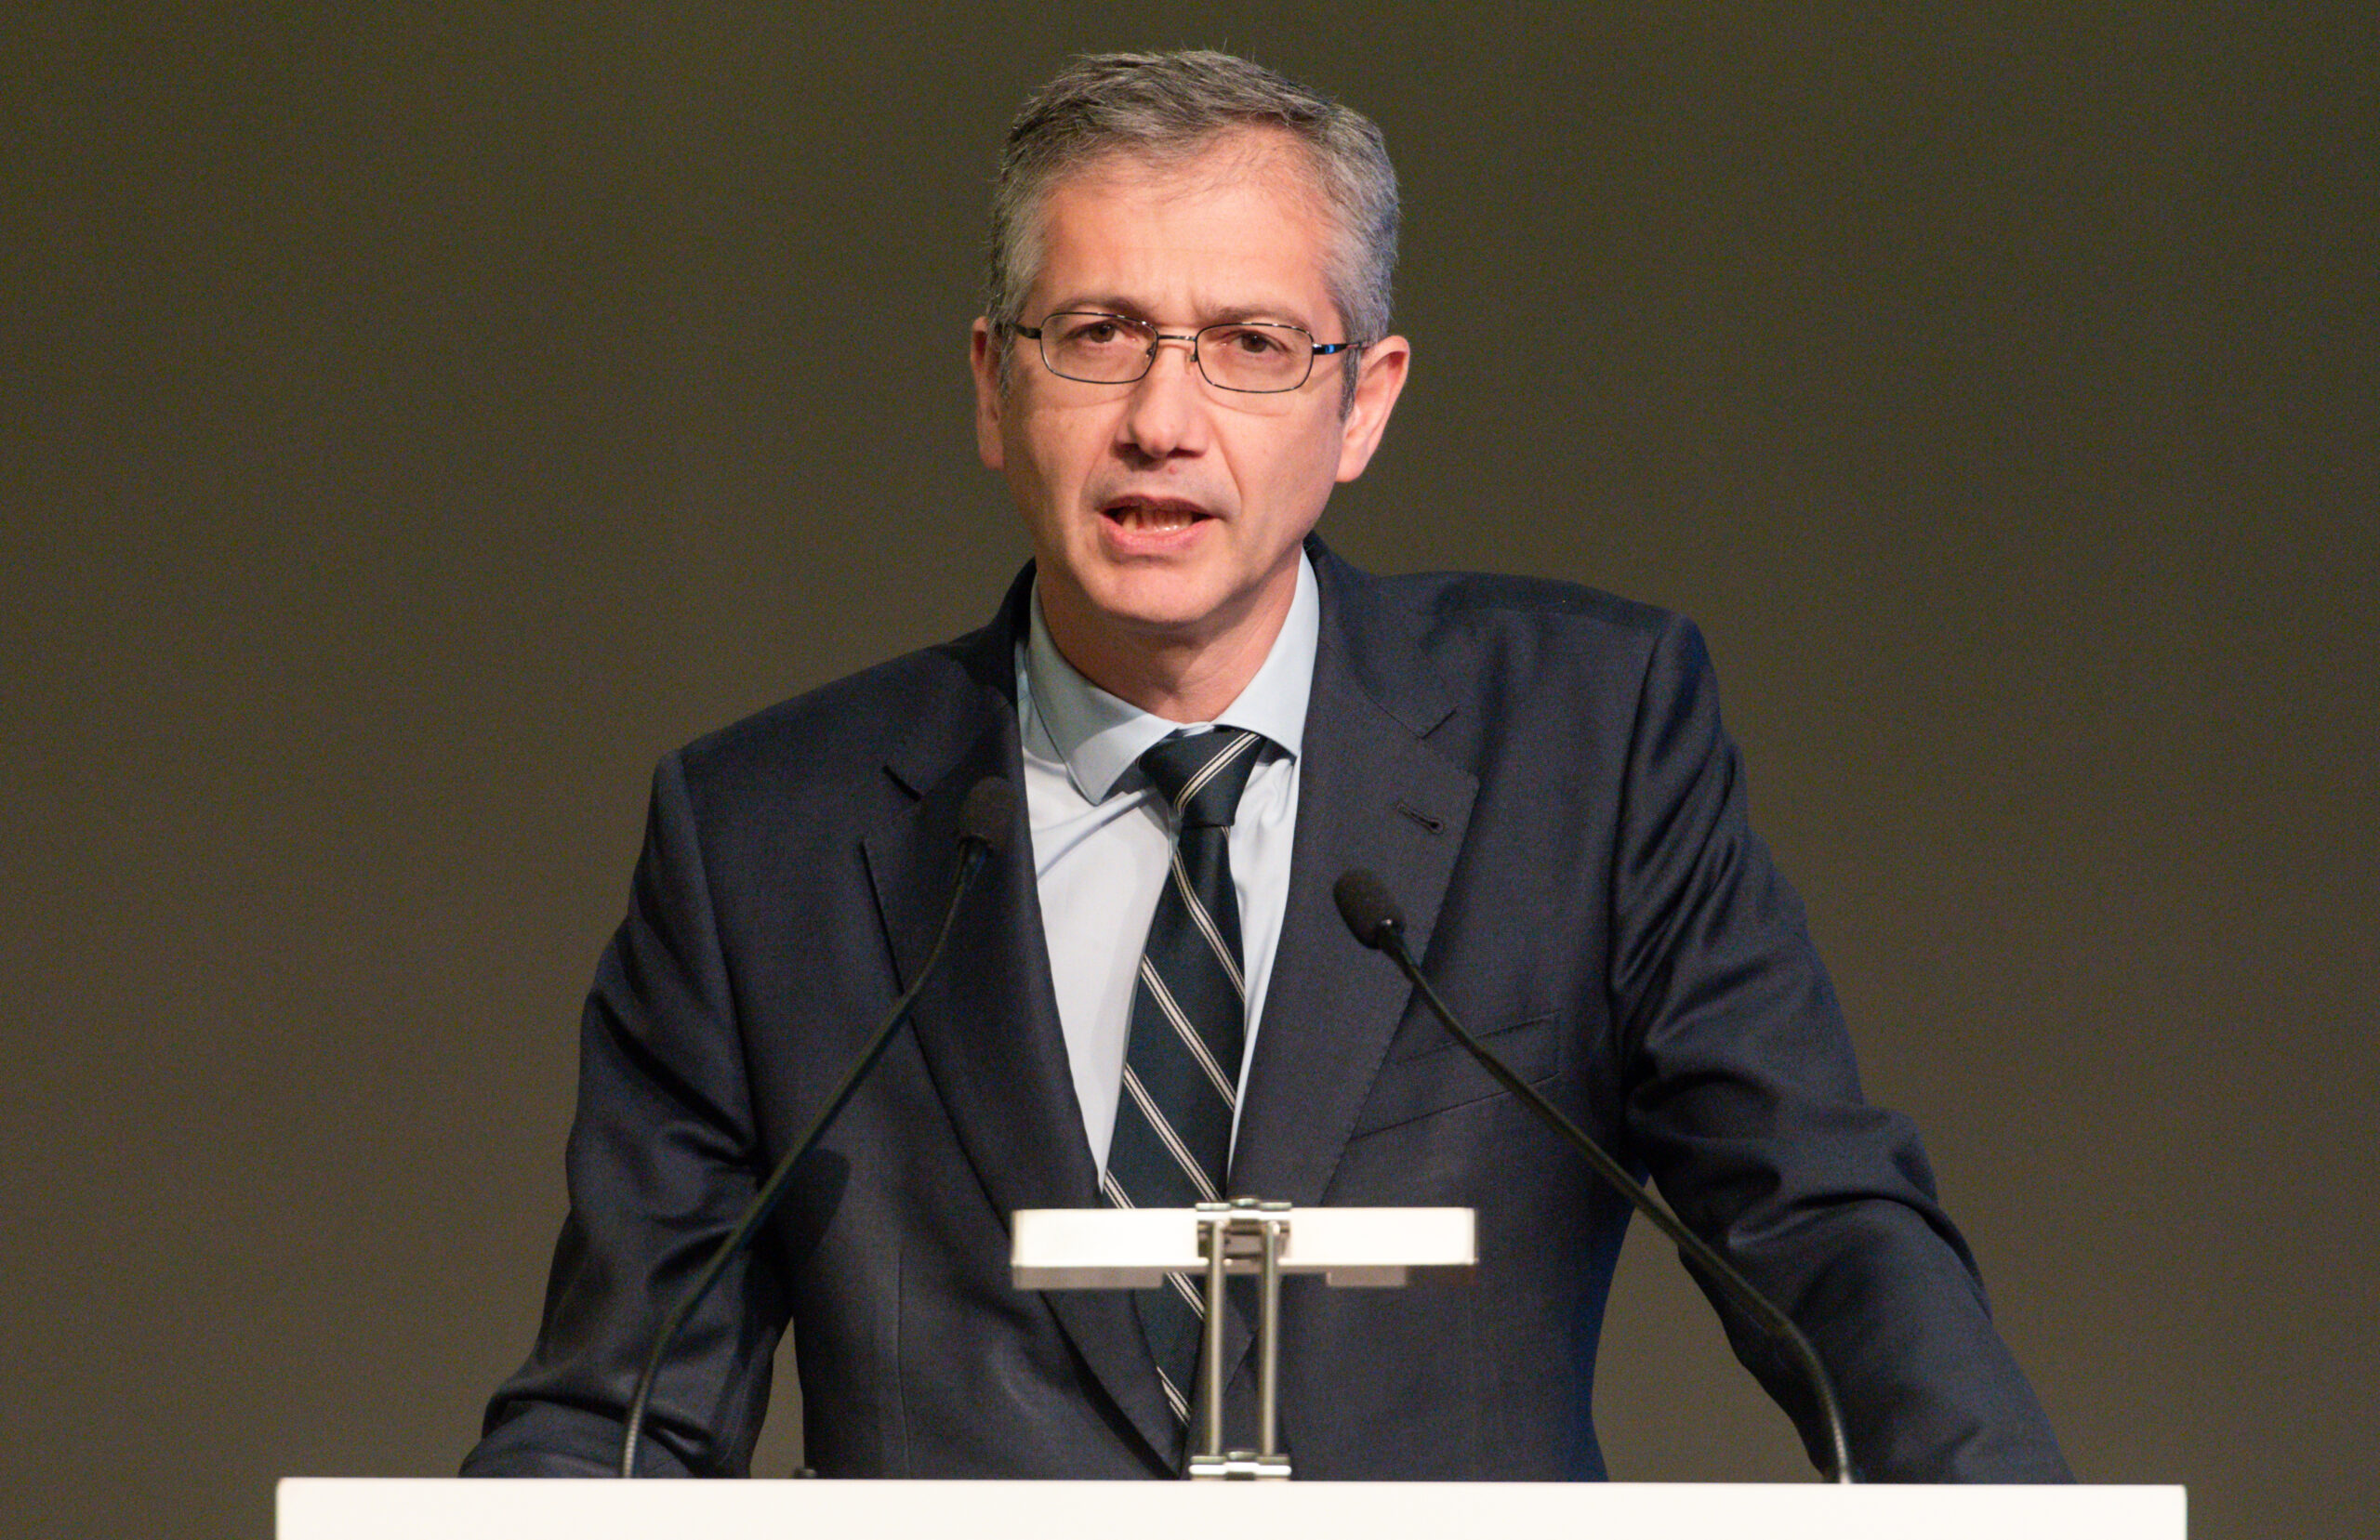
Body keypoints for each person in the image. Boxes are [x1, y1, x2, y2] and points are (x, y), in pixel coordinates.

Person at [463, 49, 2069, 1483]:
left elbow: (1818, 1225)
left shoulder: (1586, 750)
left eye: (1249, 342)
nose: (1163, 418)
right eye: (1099, 334)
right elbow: (620, 1413)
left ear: (1362, 404)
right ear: (993, 386)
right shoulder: (768, 840)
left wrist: (2009, 1515)